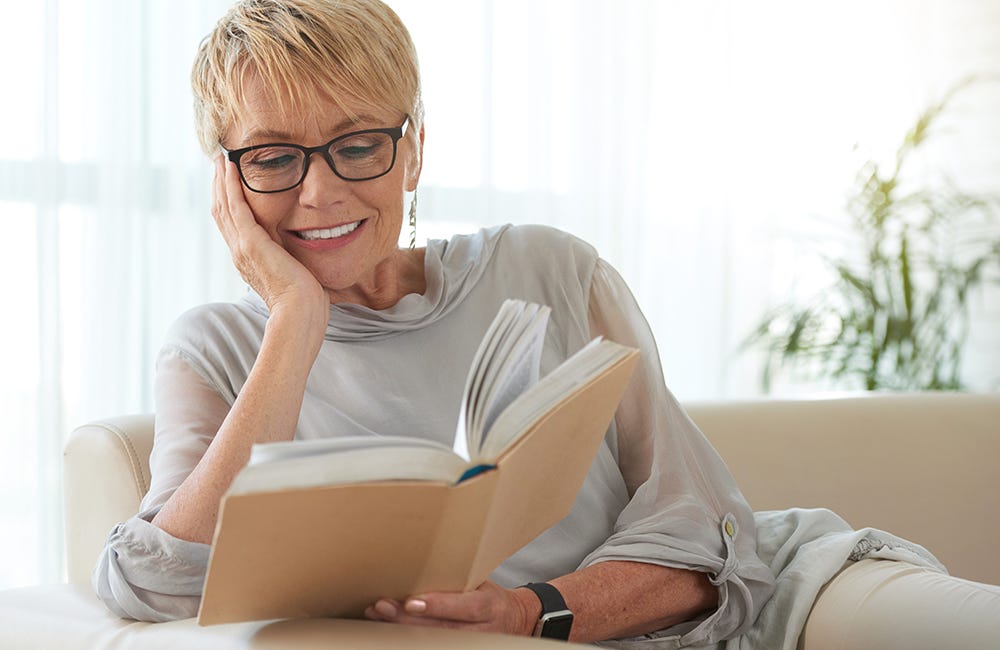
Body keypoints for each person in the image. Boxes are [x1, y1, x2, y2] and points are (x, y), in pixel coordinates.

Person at [94, 1, 998, 648]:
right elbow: (156, 585)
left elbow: (709, 526)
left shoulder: (549, 266)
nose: (320, 191)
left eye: (357, 144)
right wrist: (295, 319)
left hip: (782, 599)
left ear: (412, 150)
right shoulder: (214, 347)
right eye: (273, 158)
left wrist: (533, 610)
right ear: (227, 179)